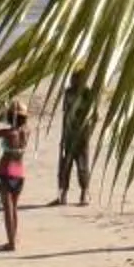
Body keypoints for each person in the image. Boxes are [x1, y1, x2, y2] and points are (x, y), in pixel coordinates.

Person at [0, 102, 29, 251]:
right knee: (14, 207)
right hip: (20, 172)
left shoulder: (8, 133)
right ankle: (13, 238)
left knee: (7, 208)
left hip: (6, 170)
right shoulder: (26, 131)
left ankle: (11, 243)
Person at [52, 72, 96, 206]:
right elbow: (66, 114)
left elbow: (93, 115)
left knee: (82, 165)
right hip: (69, 135)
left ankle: (83, 195)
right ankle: (62, 195)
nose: (73, 81)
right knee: (65, 165)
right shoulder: (68, 92)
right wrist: (63, 135)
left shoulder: (88, 94)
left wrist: (87, 133)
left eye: (76, 79)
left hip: (82, 135)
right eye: (72, 79)